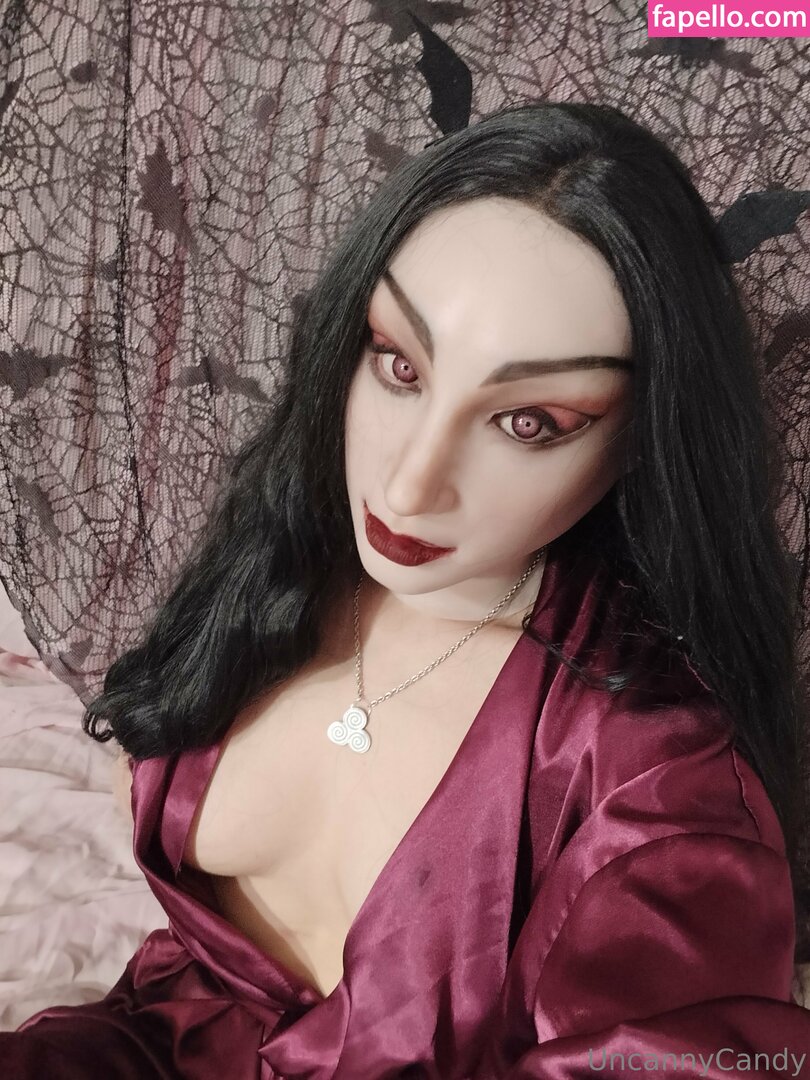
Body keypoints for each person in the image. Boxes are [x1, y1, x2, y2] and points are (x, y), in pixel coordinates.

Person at [3, 99, 810, 1078]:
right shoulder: (286, 559)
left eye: (529, 422)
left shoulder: (652, 780)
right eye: (399, 365)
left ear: (643, 440)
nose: (411, 483)